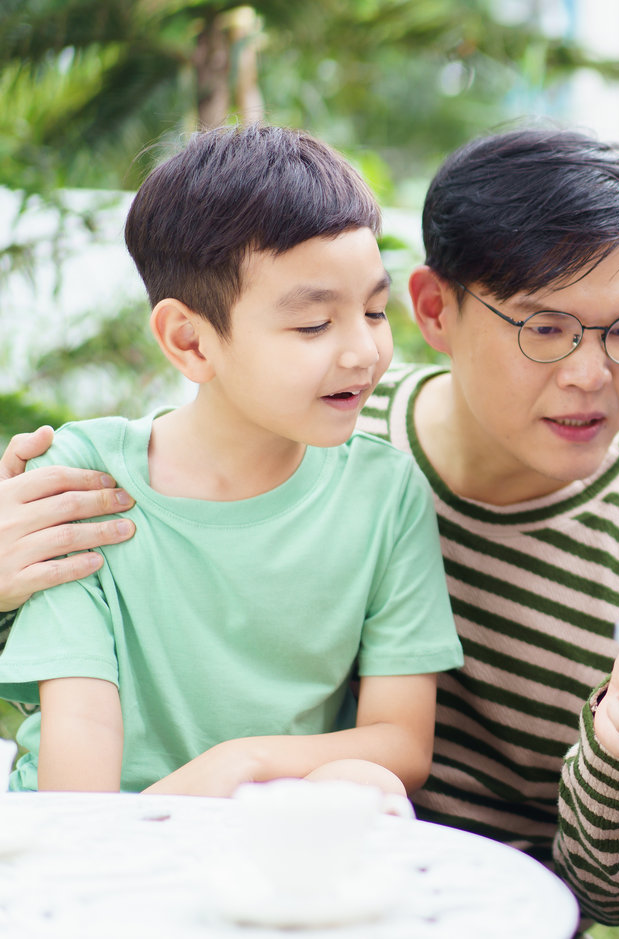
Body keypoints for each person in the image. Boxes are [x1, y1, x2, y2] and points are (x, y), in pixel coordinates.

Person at [0, 128, 619, 926]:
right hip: (173, 867)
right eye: (545, 328)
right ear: (436, 308)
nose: (590, 373)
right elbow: (78, 730)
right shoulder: (308, 425)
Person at [0, 124, 464, 797]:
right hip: (93, 848)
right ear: (189, 340)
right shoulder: (86, 481)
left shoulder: (384, 491)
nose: (363, 352)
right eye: (313, 324)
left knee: (367, 783)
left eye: (373, 309)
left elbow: (399, 742)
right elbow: (79, 777)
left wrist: (238, 761)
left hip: (261, 837)